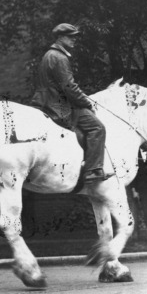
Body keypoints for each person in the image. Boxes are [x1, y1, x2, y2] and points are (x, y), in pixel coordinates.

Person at [31, 23, 112, 183]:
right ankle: (93, 170)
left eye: (75, 36)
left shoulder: (48, 55)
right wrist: (87, 103)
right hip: (58, 105)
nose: (74, 40)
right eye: (71, 37)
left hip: (45, 102)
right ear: (60, 38)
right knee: (97, 128)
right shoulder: (59, 58)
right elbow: (69, 87)